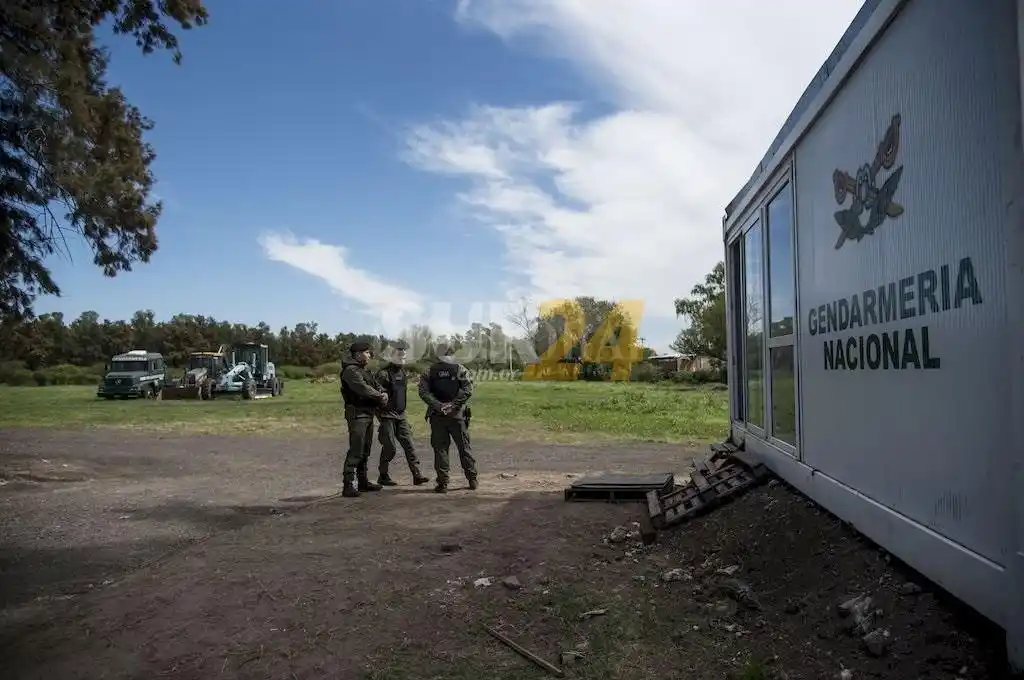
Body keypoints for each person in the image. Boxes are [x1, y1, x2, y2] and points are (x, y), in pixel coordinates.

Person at [418, 343, 476, 494]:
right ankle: (472, 479)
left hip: (437, 416)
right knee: (464, 448)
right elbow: (468, 389)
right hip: (457, 415)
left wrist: (438, 406)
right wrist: (453, 404)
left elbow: (423, 392)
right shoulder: (460, 369)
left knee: (440, 450)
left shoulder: (429, 371)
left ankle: (443, 483)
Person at [374, 341, 430, 487]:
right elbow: (375, 397)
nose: (403, 359)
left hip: (401, 415)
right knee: (390, 447)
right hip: (387, 416)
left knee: (410, 445)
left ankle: (417, 475)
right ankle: (383, 475)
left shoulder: (403, 372)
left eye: (404, 357)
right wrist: (381, 415)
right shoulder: (383, 374)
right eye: (400, 356)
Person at [339, 340, 388, 497]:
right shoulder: (351, 371)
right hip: (357, 414)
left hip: (367, 413)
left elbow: (375, 385)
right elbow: (362, 389)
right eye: (367, 352)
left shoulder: (364, 370)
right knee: (356, 449)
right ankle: (348, 485)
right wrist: (380, 396)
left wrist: (383, 392)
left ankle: (363, 482)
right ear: (358, 354)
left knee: (365, 449)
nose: (370, 355)